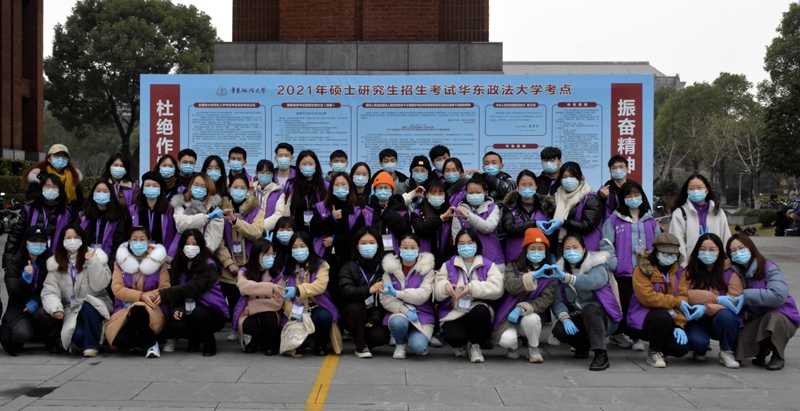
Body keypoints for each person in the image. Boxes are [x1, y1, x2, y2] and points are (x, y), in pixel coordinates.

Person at [601, 180, 660, 350]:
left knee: (641, 303)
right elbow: (606, 243)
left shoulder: (650, 220)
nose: (633, 198)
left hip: (646, 270)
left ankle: (637, 337)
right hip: (623, 271)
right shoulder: (614, 219)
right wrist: (614, 263)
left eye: (636, 194)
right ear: (622, 198)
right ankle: (618, 334)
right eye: (628, 195)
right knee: (625, 303)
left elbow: (658, 243)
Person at [550, 233, 621, 371]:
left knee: (590, 309)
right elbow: (557, 300)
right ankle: (583, 347)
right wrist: (565, 318)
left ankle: (601, 354)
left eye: (575, 247)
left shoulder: (597, 265)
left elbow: (591, 282)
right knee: (559, 329)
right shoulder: (560, 271)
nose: (571, 251)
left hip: (603, 318)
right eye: (567, 248)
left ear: (583, 249)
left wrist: (567, 278)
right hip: (578, 315)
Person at [728, 233, 799, 370]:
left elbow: (778, 295)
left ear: (750, 248)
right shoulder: (732, 272)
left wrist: (744, 295)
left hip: (781, 316)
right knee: (738, 349)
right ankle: (762, 347)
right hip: (752, 319)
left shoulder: (769, 268)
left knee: (774, 319)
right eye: (733, 251)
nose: (738, 253)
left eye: (741, 248)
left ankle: (778, 355)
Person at [41, 224, 112, 357]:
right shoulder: (56, 263)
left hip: (96, 304)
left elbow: (100, 285)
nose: (72, 241)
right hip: (72, 308)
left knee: (88, 305)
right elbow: (49, 291)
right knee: (78, 336)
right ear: (62, 240)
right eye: (68, 238)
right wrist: (55, 308)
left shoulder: (96, 256)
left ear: (82, 239)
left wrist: (92, 262)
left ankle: (91, 346)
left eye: (76, 237)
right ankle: (92, 336)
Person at [434, 228, 504, 363]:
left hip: (477, 308)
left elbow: (498, 289)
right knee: (454, 337)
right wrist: (445, 287)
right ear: (456, 246)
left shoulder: (488, 265)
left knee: (481, 312)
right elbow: (437, 289)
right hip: (454, 311)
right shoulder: (448, 265)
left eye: (470, 243)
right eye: (461, 243)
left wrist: (472, 288)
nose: (466, 246)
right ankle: (462, 344)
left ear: (477, 244)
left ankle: (475, 345)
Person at [157, 229, 228, 356]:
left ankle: (209, 344)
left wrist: (164, 294)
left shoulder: (209, 265)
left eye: (194, 244)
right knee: (174, 326)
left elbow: (194, 288)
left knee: (199, 313)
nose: (190, 247)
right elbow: (177, 290)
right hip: (188, 309)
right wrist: (177, 309)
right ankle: (195, 339)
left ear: (201, 245)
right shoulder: (177, 264)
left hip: (213, 311)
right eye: (187, 243)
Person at [492, 228, 556, 363]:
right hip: (508, 314)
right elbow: (510, 286)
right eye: (532, 248)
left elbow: (545, 299)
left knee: (532, 320)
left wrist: (521, 308)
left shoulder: (550, 273)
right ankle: (514, 346)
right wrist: (532, 276)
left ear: (546, 251)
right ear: (526, 250)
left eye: (540, 249)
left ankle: (533, 348)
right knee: (506, 340)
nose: (536, 252)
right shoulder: (513, 266)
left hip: (530, 314)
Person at [105, 226, 170, 358]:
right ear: (129, 241)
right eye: (134, 239)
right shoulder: (120, 263)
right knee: (120, 342)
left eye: (142, 239)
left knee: (138, 309)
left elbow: (165, 286)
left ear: (149, 241)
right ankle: (142, 338)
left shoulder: (158, 262)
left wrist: (147, 297)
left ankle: (151, 345)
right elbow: (117, 288)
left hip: (152, 306)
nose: (138, 243)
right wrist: (140, 296)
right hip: (124, 308)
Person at [629, 233, 691, 368]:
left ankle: (662, 349)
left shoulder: (679, 272)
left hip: (671, 317)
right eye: (666, 254)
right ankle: (654, 352)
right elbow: (648, 298)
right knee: (662, 317)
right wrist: (675, 301)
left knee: (680, 349)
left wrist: (680, 324)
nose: (670, 257)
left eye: (673, 254)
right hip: (645, 317)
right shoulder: (642, 270)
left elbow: (683, 297)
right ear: (656, 252)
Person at [683, 233, 743, 368]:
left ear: (719, 251)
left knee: (726, 316)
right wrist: (715, 299)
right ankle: (699, 348)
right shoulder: (690, 271)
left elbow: (734, 301)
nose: (707, 253)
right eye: (702, 249)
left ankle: (726, 351)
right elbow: (684, 295)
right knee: (697, 342)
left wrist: (707, 307)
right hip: (697, 319)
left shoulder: (730, 273)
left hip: (720, 318)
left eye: (712, 249)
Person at [218, 175, 265, 340]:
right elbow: (218, 241)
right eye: (235, 187)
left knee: (250, 298)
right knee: (233, 298)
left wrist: (235, 222)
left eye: (242, 188)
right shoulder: (220, 210)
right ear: (229, 189)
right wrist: (228, 263)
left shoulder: (256, 209)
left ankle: (248, 329)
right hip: (228, 265)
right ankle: (234, 327)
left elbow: (256, 232)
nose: (238, 191)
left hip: (249, 263)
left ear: (248, 190)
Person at [0, 227, 60, 355]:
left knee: (47, 312)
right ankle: (26, 335)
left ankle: (49, 340)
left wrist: (36, 301)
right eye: (34, 241)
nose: (38, 245)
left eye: (41, 242)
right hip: (20, 308)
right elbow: (13, 293)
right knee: (21, 333)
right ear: (26, 243)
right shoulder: (14, 264)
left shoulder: (50, 263)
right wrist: (25, 279)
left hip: (41, 303)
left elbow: (53, 288)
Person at [280, 231, 341, 356]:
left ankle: (321, 343)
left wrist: (297, 290)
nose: (299, 250)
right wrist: (293, 313)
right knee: (302, 343)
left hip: (317, 306)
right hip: (298, 310)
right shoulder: (286, 269)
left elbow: (320, 286)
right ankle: (310, 341)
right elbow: (284, 298)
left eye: (302, 246)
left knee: (324, 317)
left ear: (309, 247)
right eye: (294, 247)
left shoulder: (321, 265)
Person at [310, 172, 366, 305]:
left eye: (343, 184)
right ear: (331, 187)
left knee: (345, 291)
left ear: (349, 187)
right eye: (337, 184)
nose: (340, 187)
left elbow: (358, 236)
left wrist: (335, 240)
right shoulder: (321, 207)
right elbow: (314, 230)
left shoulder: (356, 210)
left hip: (347, 257)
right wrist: (332, 219)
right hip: (325, 256)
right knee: (327, 290)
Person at [380, 234, 436, 358]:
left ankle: (415, 337)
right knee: (398, 322)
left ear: (418, 248)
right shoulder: (389, 269)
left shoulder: (427, 270)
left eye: (412, 247)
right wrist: (405, 310)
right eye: (405, 248)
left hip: (422, 314)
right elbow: (385, 298)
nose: (409, 251)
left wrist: (397, 293)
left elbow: (423, 295)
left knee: (419, 348)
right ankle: (400, 344)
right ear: (399, 248)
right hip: (398, 312)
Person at [339, 227, 390, 358]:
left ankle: (361, 339)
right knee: (356, 308)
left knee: (381, 336)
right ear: (357, 245)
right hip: (352, 313)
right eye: (364, 243)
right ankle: (360, 347)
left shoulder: (385, 267)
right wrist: (369, 290)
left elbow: (388, 297)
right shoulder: (348, 267)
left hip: (374, 313)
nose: (368, 246)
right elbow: (346, 291)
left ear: (378, 245)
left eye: (372, 243)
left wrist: (375, 317)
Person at [4, 174, 73, 267]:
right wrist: (8, 261)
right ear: (41, 188)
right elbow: (15, 235)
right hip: (29, 259)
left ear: (60, 190)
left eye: (54, 186)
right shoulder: (30, 209)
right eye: (47, 186)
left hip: (56, 261)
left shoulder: (67, 212)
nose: (51, 189)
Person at [233, 239, 285, 355]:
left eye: (272, 254)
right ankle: (254, 341)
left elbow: (278, 302)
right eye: (266, 254)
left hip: (266, 312)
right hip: (249, 314)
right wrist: (270, 288)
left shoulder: (277, 275)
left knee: (267, 316)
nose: (270, 257)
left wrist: (253, 306)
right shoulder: (244, 271)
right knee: (248, 323)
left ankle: (270, 345)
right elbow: (243, 287)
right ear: (256, 255)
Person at [669, 174, 731, 265]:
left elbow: (726, 237)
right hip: (690, 265)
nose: (695, 191)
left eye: (699, 188)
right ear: (687, 191)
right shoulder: (679, 213)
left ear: (707, 190)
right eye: (691, 188)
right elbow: (677, 242)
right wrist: (683, 266)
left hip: (716, 265)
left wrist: (725, 261)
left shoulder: (718, 212)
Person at [451, 178, 503, 270]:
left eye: (478, 192)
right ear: (466, 193)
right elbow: (457, 238)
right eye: (471, 193)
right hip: (468, 261)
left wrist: (468, 217)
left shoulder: (492, 208)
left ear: (485, 192)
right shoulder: (459, 211)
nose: (474, 195)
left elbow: (488, 228)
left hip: (493, 259)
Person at [502, 170, 552, 263]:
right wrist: (534, 223)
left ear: (536, 186)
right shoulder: (509, 206)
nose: (527, 188)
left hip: (540, 257)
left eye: (530, 184)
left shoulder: (546, 206)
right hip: (515, 255)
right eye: (523, 185)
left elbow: (550, 232)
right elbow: (509, 228)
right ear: (517, 186)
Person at [553, 161, 604, 252]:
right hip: (562, 247)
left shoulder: (589, 198)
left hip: (584, 246)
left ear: (580, 177)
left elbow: (588, 226)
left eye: (572, 176)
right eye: (564, 177)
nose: (568, 180)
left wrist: (564, 223)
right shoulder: (557, 196)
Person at [80, 180, 130, 271]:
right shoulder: (83, 215)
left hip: (109, 263)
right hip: (85, 262)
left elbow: (119, 244)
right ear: (93, 193)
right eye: (98, 191)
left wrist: (110, 266)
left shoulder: (117, 217)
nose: (101, 194)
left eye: (105, 191)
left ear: (111, 194)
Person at [170, 172, 224, 254]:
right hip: (180, 252)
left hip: (203, 255)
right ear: (190, 186)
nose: (199, 188)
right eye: (195, 185)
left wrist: (198, 252)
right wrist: (206, 218)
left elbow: (213, 238)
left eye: (203, 186)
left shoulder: (214, 209)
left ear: (208, 188)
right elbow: (180, 224)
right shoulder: (181, 203)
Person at [410, 180, 456, 269]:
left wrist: (444, 264)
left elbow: (450, 243)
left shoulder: (450, 214)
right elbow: (421, 230)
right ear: (426, 195)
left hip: (443, 265)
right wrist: (441, 218)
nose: (436, 196)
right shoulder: (417, 212)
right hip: (422, 264)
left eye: (440, 193)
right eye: (433, 193)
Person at [23, 144, 84, 209]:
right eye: (57, 155)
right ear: (49, 158)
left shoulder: (73, 176)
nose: (61, 158)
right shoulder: (40, 175)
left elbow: (79, 200)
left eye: (64, 156)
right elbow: (32, 197)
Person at [129, 172, 175, 254]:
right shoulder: (133, 210)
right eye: (147, 185)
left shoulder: (169, 210)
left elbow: (174, 233)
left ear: (160, 189)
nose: (151, 188)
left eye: (155, 186)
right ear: (143, 188)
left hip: (163, 253)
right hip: (139, 253)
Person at [366, 172, 411, 255]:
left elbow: (406, 232)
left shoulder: (400, 208)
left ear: (392, 190)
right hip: (373, 254)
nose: (383, 190)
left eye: (386, 187)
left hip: (396, 255)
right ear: (375, 190)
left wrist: (388, 214)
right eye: (380, 187)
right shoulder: (368, 210)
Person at [285, 150, 329, 235]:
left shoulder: (326, 186)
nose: (307, 166)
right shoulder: (292, 187)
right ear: (298, 166)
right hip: (299, 233)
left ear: (316, 165)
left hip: (320, 233)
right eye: (304, 164)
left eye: (311, 164)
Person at [251, 159, 287, 233]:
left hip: (269, 232)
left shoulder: (278, 192)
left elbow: (279, 214)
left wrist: (259, 227)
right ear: (256, 173)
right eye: (262, 172)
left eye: (268, 173)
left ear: (272, 175)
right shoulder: (250, 190)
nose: (265, 175)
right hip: (249, 230)